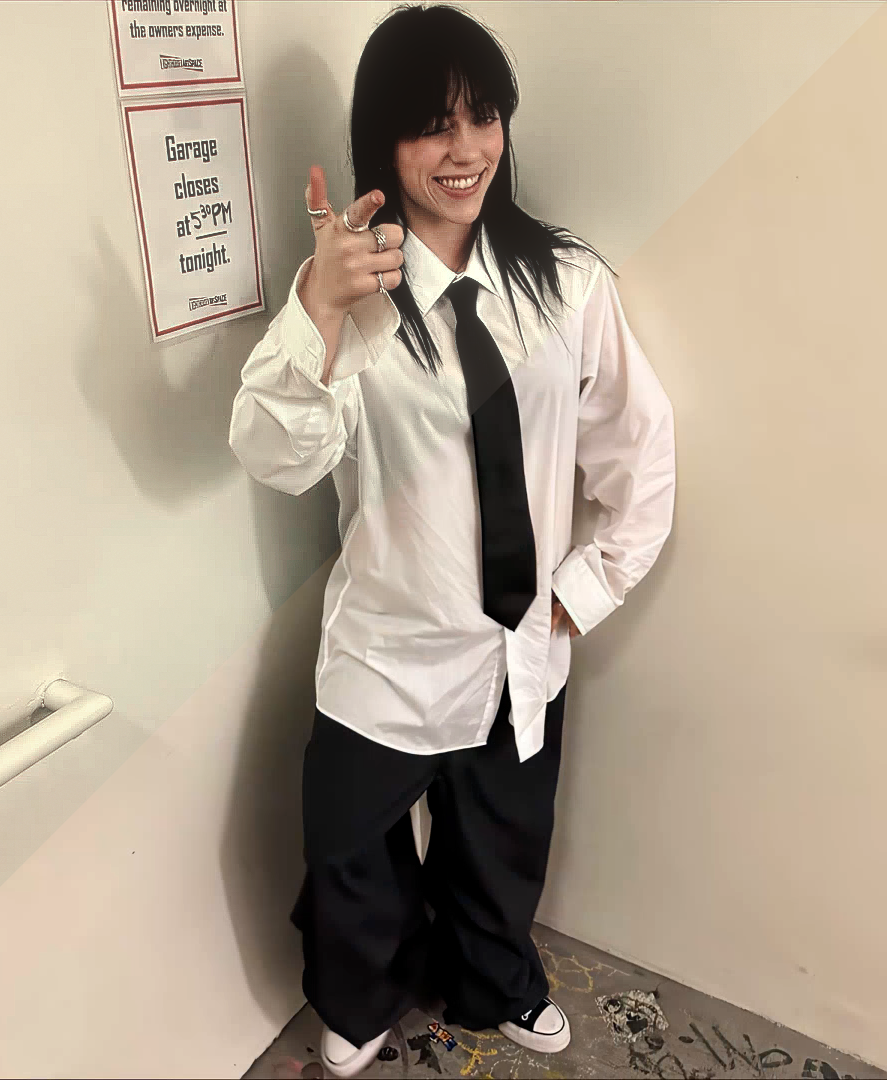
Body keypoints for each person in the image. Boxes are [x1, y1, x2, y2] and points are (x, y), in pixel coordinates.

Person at [229, 5, 676, 1077]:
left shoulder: (567, 283)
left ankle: (495, 982)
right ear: (383, 142)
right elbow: (275, 456)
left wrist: (582, 592)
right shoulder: (352, 295)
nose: (464, 148)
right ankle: (361, 997)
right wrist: (315, 310)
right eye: (433, 125)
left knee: (501, 845)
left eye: (483, 117)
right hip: (387, 647)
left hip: (521, 644)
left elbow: (641, 449)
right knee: (351, 854)